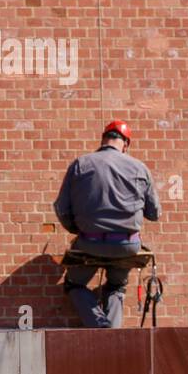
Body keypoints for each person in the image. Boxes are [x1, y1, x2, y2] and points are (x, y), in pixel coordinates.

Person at [53, 120, 160, 328]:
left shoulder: (80, 164)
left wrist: (77, 229)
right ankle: (111, 333)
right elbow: (154, 213)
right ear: (126, 144)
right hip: (127, 245)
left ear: (103, 139)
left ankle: (99, 326)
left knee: (74, 284)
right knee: (117, 286)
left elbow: (61, 208)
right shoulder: (139, 168)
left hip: (90, 243)